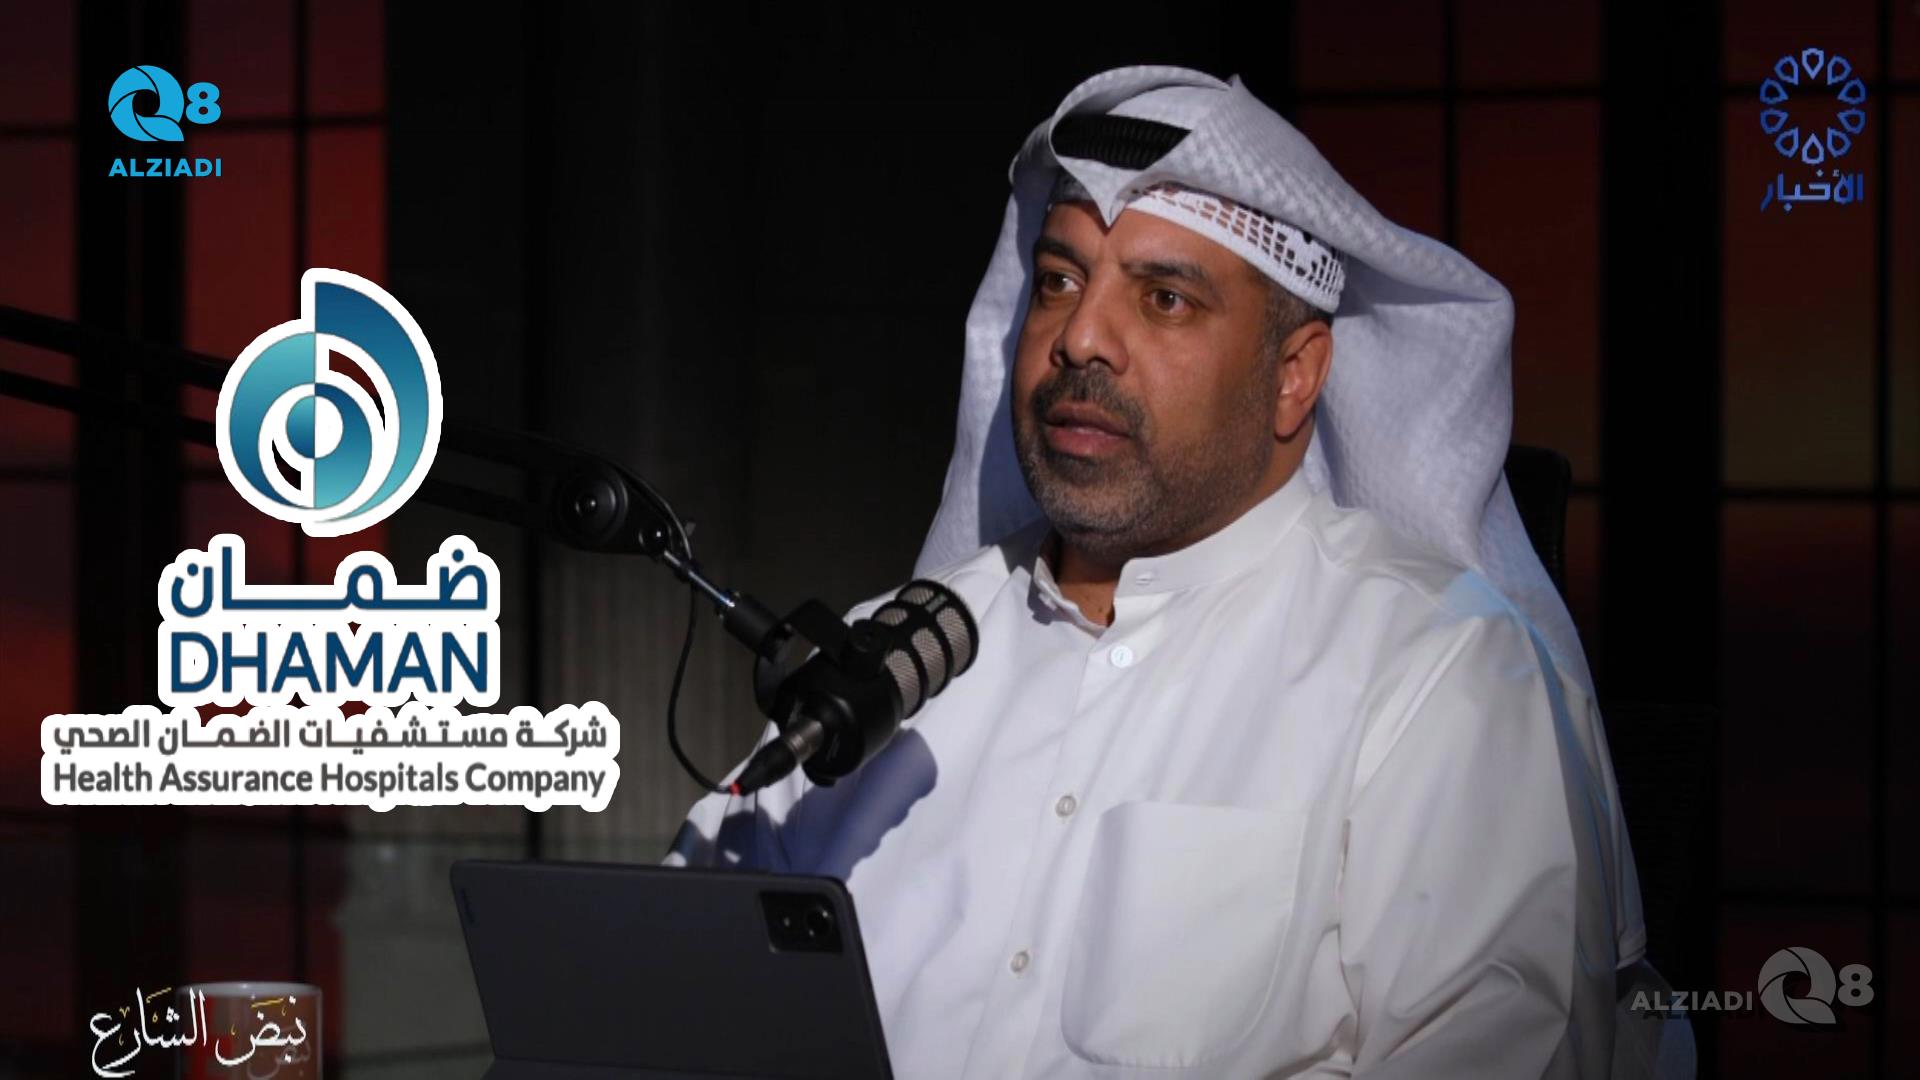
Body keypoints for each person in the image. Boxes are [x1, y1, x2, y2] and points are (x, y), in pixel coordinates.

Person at [668, 65, 1671, 1078]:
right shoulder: (888, 663)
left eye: (1164, 299)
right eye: (1058, 282)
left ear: (1294, 375)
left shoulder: (1433, 675)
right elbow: (667, 981)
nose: (1080, 339)